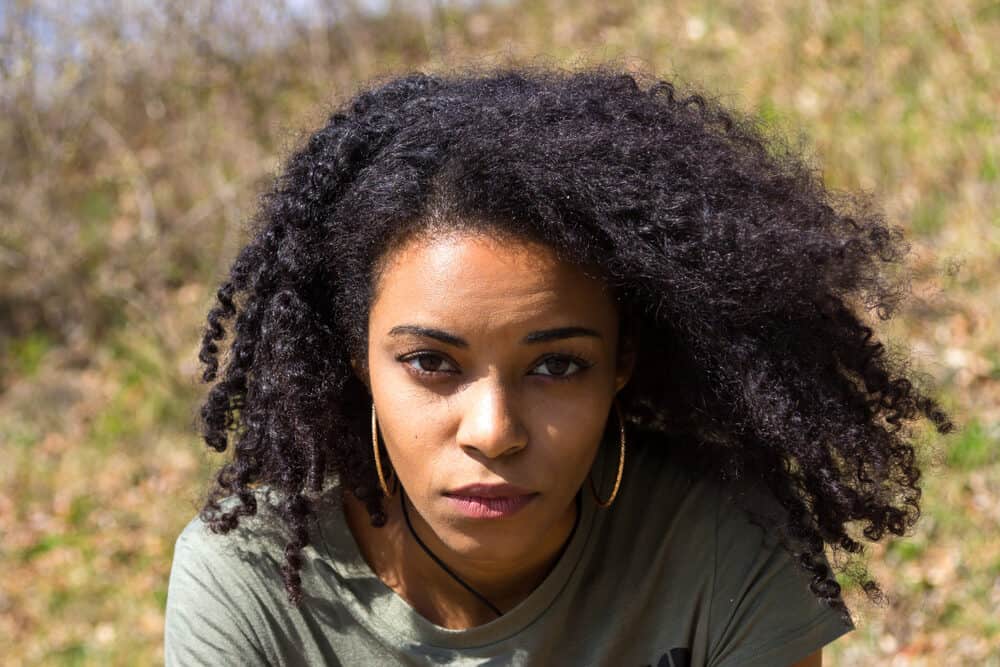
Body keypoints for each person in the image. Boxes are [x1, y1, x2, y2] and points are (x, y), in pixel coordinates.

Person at [163, 66, 953, 666]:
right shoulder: (255, 582)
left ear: (622, 362)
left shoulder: (721, 550)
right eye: (431, 361)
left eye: (558, 366)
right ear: (358, 360)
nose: (494, 431)